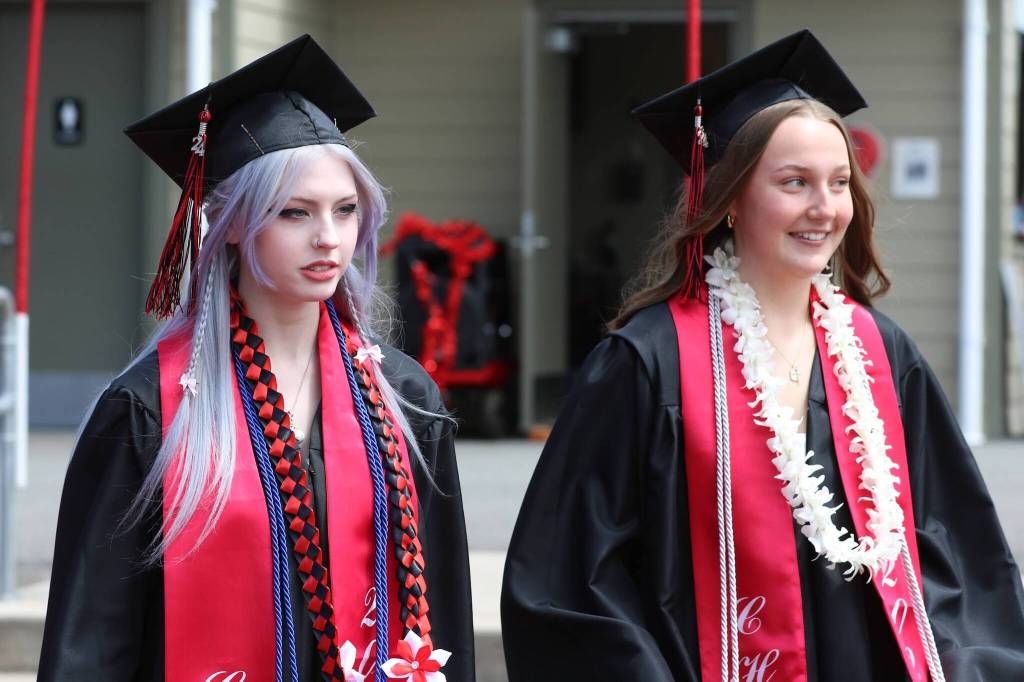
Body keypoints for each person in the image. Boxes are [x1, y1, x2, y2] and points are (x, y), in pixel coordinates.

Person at [501, 29, 1024, 681]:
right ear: (729, 200)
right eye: (794, 182)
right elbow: (574, 580)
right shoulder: (645, 363)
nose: (824, 208)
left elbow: (955, 551)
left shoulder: (882, 354)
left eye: (838, 183)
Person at [38, 35, 474, 682]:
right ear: (236, 223)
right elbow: (93, 639)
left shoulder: (402, 396)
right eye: (295, 212)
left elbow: (440, 613)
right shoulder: (149, 409)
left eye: (346, 210)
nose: (329, 237)